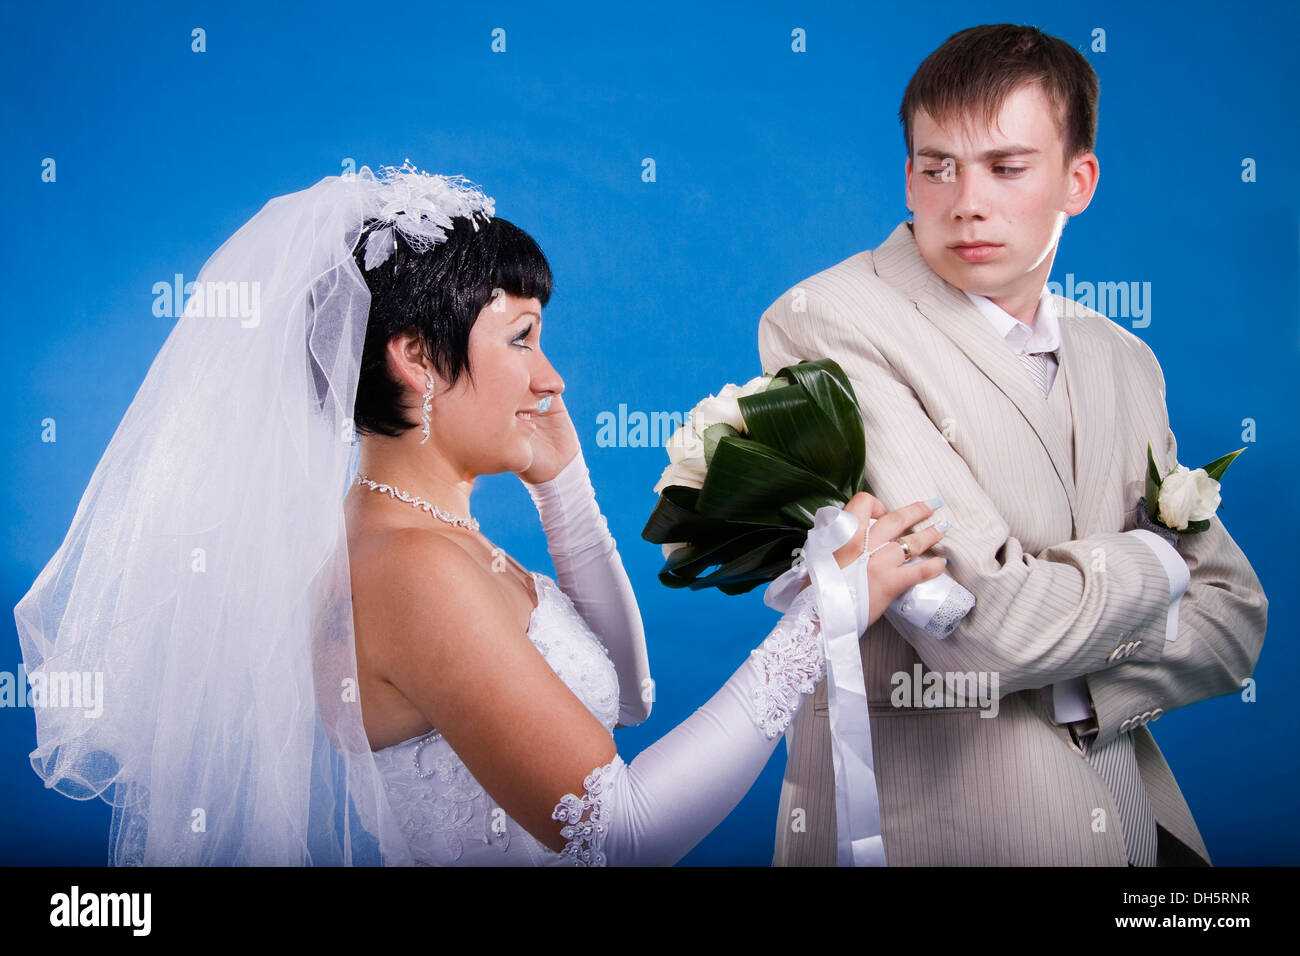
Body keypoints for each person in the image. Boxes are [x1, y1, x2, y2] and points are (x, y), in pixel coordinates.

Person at [13, 160, 948, 866]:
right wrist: (825, 617)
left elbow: (624, 701)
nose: (553, 376)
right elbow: (614, 833)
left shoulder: (437, 540)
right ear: (417, 359)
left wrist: (565, 492)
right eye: (523, 338)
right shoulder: (407, 570)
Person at [758, 23, 1268, 866]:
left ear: (1078, 180)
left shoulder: (1125, 358)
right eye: (937, 167)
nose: (966, 202)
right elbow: (989, 626)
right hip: (940, 832)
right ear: (910, 174)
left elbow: (1235, 620)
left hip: (1134, 825)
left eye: (1006, 167)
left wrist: (1081, 688)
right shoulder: (827, 321)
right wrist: (1163, 568)